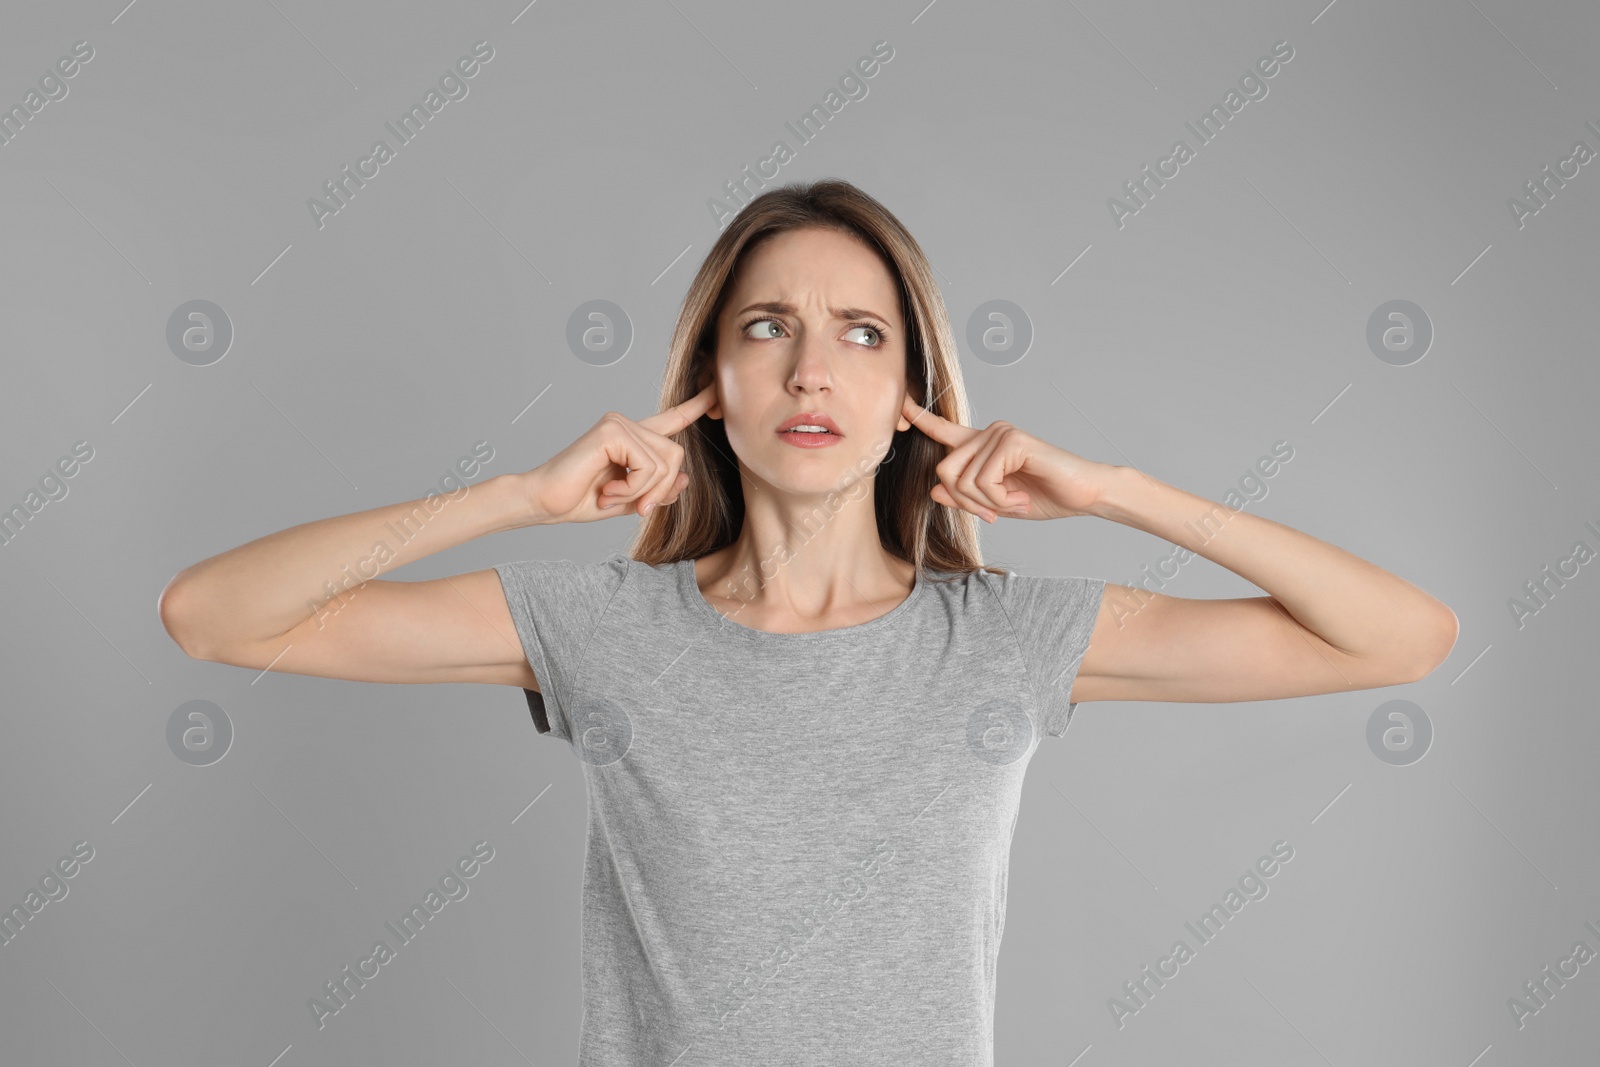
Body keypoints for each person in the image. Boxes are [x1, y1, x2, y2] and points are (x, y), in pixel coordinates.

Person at [157, 179, 1457, 1065]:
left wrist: (1116, 492)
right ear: (712, 383)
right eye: (767, 328)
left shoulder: (998, 642)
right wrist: (518, 496)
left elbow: (1396, 639)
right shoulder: (606, 627)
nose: (810, 369)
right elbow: (214, 615)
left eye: (860, 335)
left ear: (910, 396)